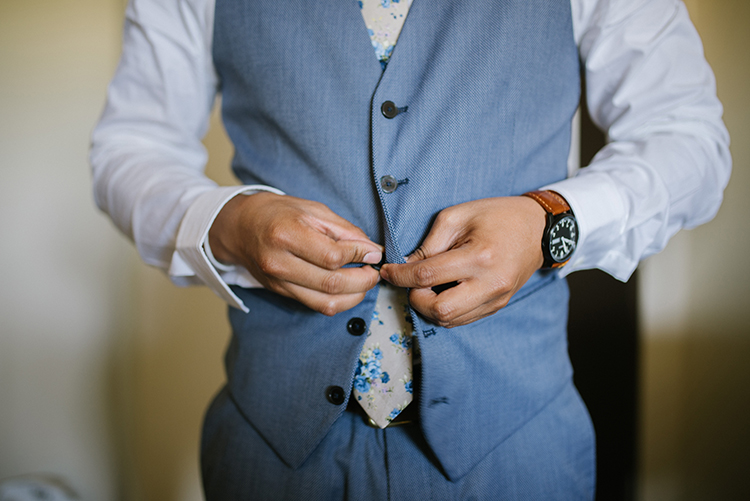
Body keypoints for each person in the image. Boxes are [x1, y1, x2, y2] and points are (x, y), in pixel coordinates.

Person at [91, 0, 730, 498]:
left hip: (515, 452)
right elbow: (131, 148)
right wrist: (227, 221)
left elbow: (688, 142)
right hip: (269, 455)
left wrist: (548, 223)